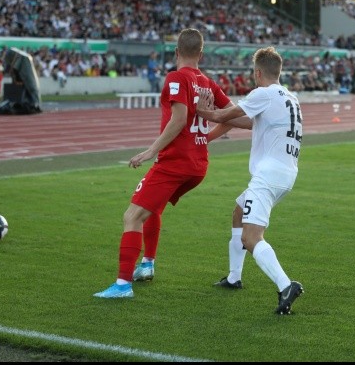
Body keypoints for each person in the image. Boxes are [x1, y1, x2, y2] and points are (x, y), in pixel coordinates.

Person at [93, 28, 247, 299]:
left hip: (175, 162)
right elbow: (232, 116)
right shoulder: (209, 83)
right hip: (198, 166)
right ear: (201, 54)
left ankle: (122, 285)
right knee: (152, 208)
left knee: (132, 216)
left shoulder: (176, 77)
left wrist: (150, 151)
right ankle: (147, 265)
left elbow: (179, 119)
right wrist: (205, 137)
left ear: (176, 52)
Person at [195, 46, 304, 315]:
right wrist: (207, 138)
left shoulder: (263, 94)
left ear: (257, 73)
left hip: (268, 176)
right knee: (238, 212)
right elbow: (248, 122)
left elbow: (223, 115)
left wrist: (203, 112)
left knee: (251, 236)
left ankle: (286, 285)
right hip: (286, 173)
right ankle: (234, 277)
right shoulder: (290, 98)